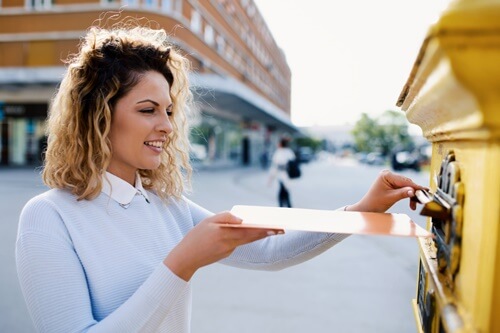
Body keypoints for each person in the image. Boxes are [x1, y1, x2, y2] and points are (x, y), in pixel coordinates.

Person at [15, 21, 425, 333]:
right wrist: (182, 263)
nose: (168, 127)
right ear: (99, 116)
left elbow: (269, 252)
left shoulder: (165, 205)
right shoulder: (48, 218)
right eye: (147, 110)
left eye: (169, 111)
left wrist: (360, 211)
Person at [268, 137, 296, 207]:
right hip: (287, 174)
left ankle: (283, 206)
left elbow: (275, 166)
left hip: (281, 174)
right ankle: (288, 205)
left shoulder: (279, 152)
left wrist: (271, 178)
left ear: (280, 144)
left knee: (283, 191)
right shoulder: (289, 152)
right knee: (285, 190)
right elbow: (293, 162)